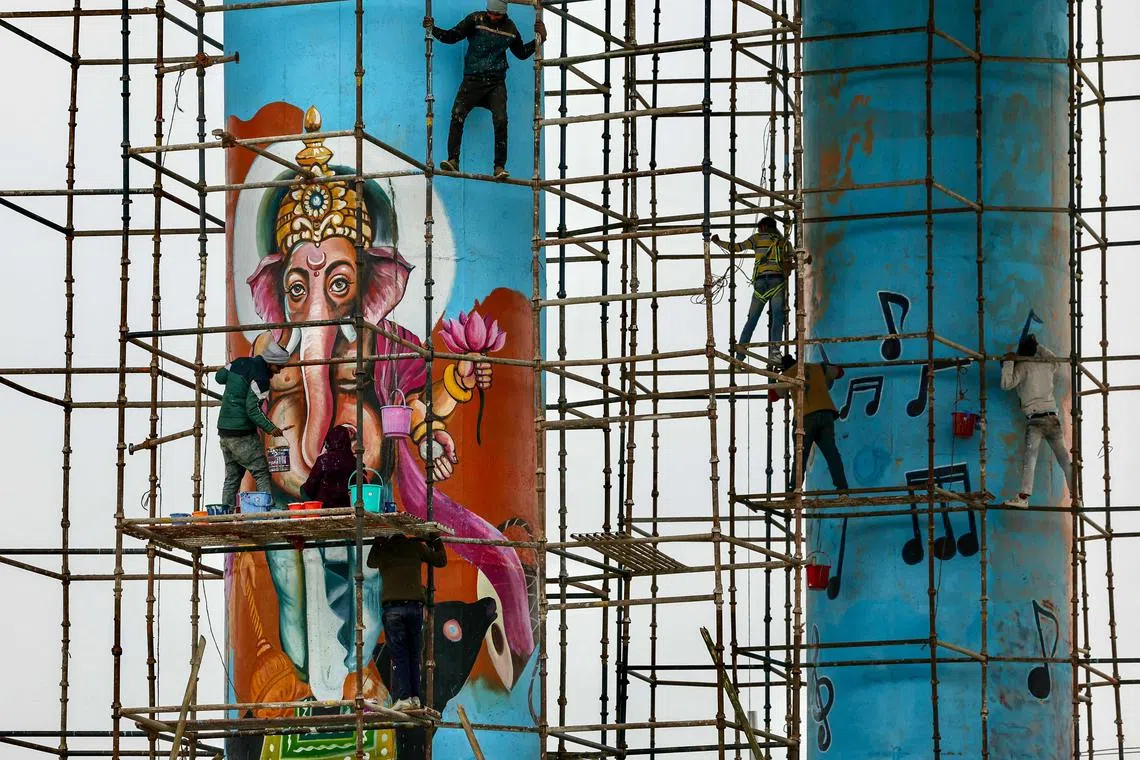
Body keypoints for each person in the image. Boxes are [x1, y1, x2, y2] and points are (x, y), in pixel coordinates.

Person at [427, 1, 547, 179]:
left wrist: (540, 40)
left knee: (501, 121)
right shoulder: (475, 19)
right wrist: (433, 29)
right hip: (472, 80)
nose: (492, 16)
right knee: (457, 114)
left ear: (504, 14)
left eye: (496, 15)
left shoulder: (510, 29)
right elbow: (452, 36)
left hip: (496, 83)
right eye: (490, 13)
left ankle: (499, 167)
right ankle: (453, 160)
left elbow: (521, 53)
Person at [366, 533, 449, 711]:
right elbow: (441, 560)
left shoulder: (386, 549)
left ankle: (403, 697)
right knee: (413, 655)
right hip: (414, 608)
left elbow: (371, 562)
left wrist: (377, 543)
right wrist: (435, 541)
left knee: (400, 655)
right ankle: (415, 698)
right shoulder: (416, 547)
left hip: (393, 610)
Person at [1001, 334, 1078, 508]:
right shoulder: (1046, 364)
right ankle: (1077, 497)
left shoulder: (1021, 367)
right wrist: (1038, 344)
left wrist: (1008, 362)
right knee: (1065, 460)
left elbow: (1006, 384)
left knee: (1031, 458)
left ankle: (1023, 497)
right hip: (1053, 418)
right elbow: (1054, 359)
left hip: (1035, 420)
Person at [711, 216, 796, 362]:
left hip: (760, 284)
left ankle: (740, 355)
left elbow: (736, 248)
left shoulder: (757, 238)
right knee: (778, 318)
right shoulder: (783, 242)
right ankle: (775, 352)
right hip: (777, 283)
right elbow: (793, 261)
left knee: (752, 319)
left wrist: (718, 242)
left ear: (763, 227)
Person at [215, 344, 289, 508]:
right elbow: (252, 410)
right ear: (270, 362)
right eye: (279, 366)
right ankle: (265, 513)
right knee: (261, 472)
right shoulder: (261, 378)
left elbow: (219, 377)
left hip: (224, 431)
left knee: (232, 477)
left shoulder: (238, 363)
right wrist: (272, 429)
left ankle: (224, 517)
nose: (278, 371)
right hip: (241, 432)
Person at [770, 354, 849, 492]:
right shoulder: (817, 367)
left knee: (801, 456)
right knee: (832, 454)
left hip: (805, 417)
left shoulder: (788, 373)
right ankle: (842, 488)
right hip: (826, 413)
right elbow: (840, 372)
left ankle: (795, 489)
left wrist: (773, 377)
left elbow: (773, 396)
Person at [300, 424, 356, 509]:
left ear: (329, 440)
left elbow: (310, 487)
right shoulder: (355, 462)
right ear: (348, 441)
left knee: (303, 489)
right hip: (349, 505)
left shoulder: (323, 460)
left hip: (325, 506)